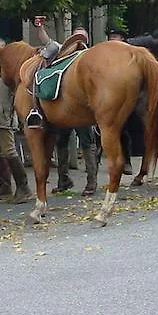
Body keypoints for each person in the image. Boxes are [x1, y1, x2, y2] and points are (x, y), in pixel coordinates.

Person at [31, 18, 99, 196]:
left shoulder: (93, 58)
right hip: (63, 108)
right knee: (61, 142)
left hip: (83, 109)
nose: (79, 39)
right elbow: (46, 40)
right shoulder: (61, 51)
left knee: (87, 143)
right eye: (76, 36)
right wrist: (40, 27)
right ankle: (63, 180)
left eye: (82, 36)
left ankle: (92, 182)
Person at [0, 38, 33, 204]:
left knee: (9, 151)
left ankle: (23, 188)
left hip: (3, 117)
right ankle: (5, 186)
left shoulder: (9, 70)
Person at [105, 25, 134, 175]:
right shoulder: (104, 54)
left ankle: (127, 161)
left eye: (115, 37)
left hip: (126, 96)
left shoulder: (128, 53)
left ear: (122, 38)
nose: (113, 39)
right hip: (108, 97)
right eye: (111, 37)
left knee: (124, 130)